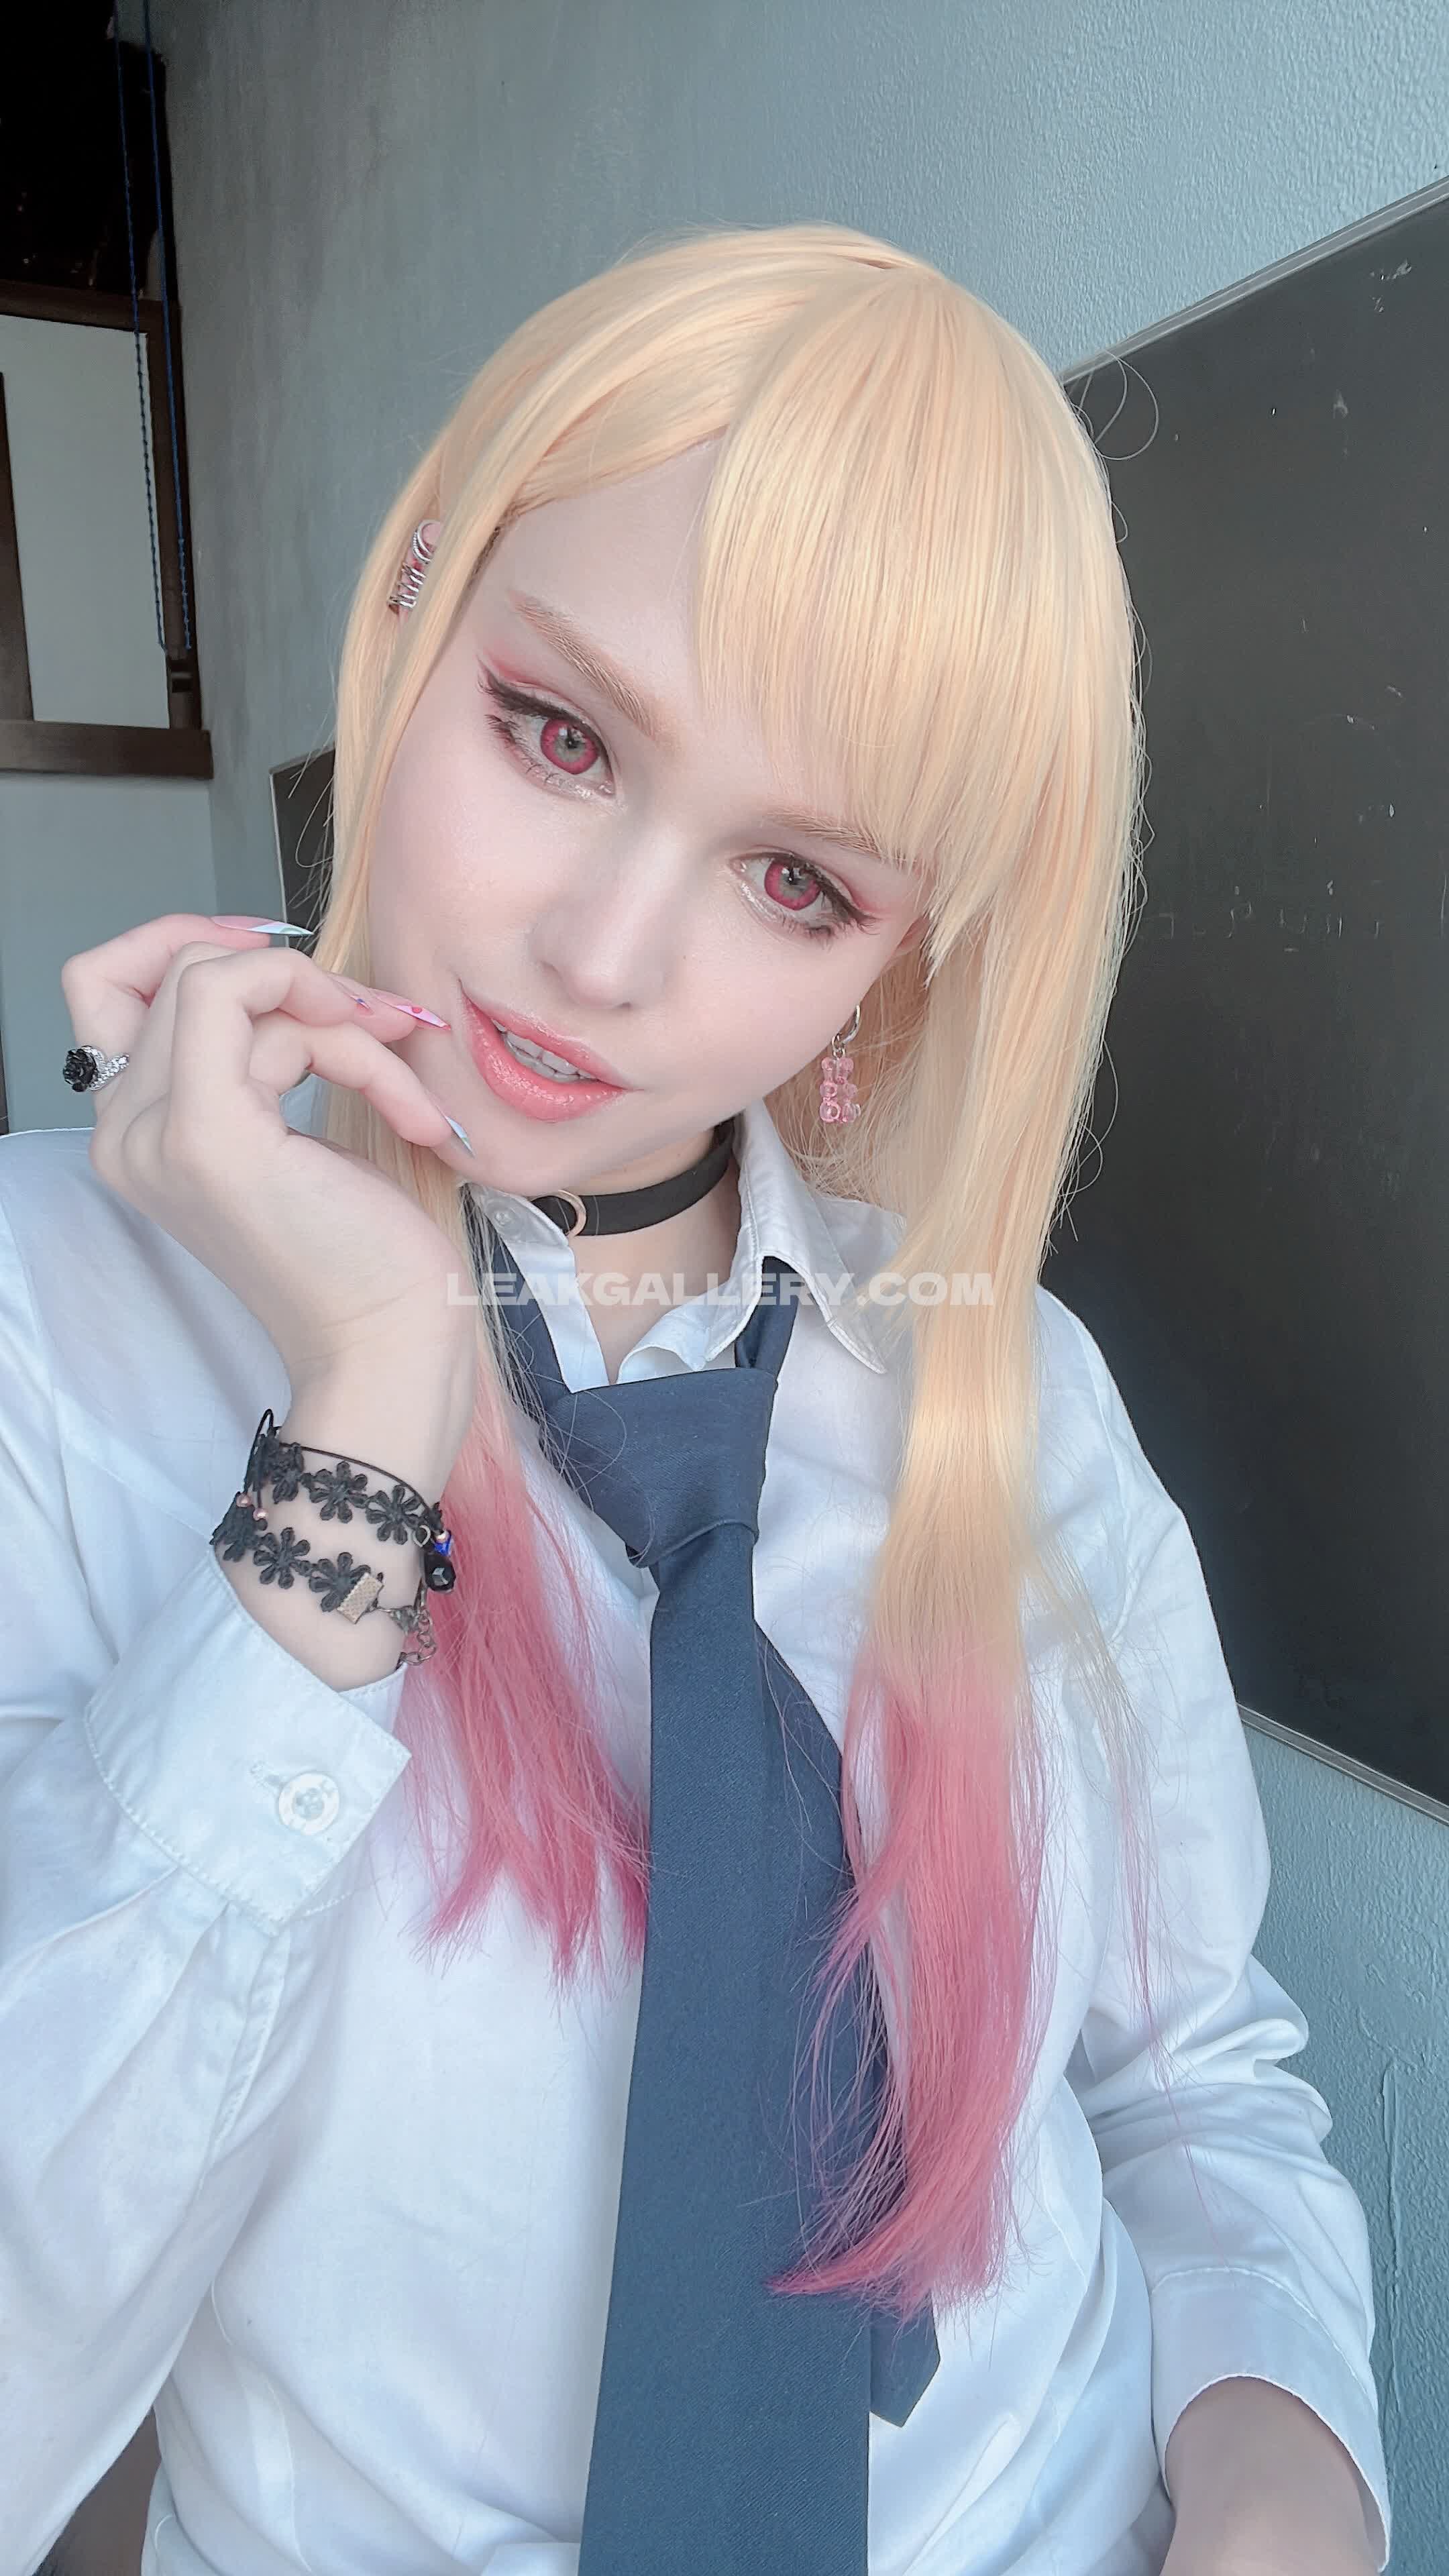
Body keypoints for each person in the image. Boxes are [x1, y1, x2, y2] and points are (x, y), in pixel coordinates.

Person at [0, 221, 1388, 2576]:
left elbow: (1193, 2089)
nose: (604, 952)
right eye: (560, 736)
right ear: (418, 597)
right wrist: (360, 1427)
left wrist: (1286, 2477)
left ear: (892, 964)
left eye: (795, 880)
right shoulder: (58, 1318)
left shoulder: (1004, 1392)